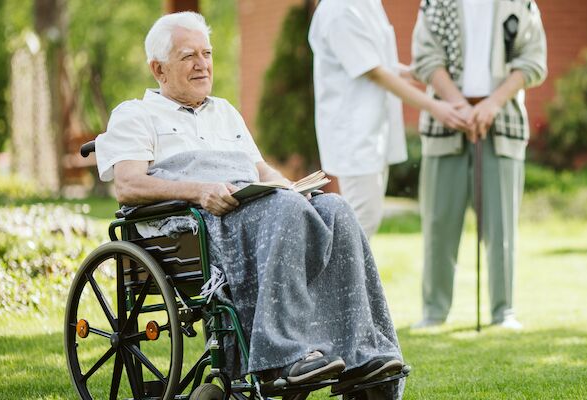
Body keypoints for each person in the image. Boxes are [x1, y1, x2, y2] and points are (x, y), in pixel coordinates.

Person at [95, 12, 404, 399]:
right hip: (194, 222)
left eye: (206, 53)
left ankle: (363, 354)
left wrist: (292, 188)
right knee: (285, 209)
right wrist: (199, 191)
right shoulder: (135, 114)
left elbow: (261, 170)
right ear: (158, 69)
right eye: (189, 55)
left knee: (336, 209)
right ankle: (283, 356)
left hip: (256, 207)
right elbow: (128, 185)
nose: (202, 64)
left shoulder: (225, 111)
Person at [410, 0, 547, 330]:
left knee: (502, 227)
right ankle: (434, 311)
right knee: (439, 224)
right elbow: (425, 59)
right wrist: (459, 105)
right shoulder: (435, 3)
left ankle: (503, 312)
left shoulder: (520, 4)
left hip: (502, 123)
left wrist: (491, 104)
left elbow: (533, 61)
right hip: (446, 121)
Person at [308, 0, 468, 238]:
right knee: (360, 224)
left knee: (365, 224)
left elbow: (381, 63)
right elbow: (374, 72)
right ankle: (339, 275)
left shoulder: (367, 4)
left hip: (375, 131)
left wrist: (423, 71)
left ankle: (356, 275)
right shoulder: (338, 10)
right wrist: (434, 106)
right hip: (354, 135)